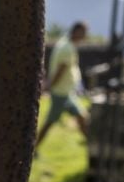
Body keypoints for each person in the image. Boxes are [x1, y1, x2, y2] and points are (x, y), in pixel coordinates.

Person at [35, 21, 89, 152]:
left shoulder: (65, 44)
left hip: (66, 91)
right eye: (83, 32)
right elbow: (60, 70)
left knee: (81, 116)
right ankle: (33, 148)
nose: (84, 36)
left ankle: (89, 143)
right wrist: (49, 86)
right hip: (61, 92)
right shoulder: (67, 48)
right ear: (76, 31)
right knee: (50, 122)